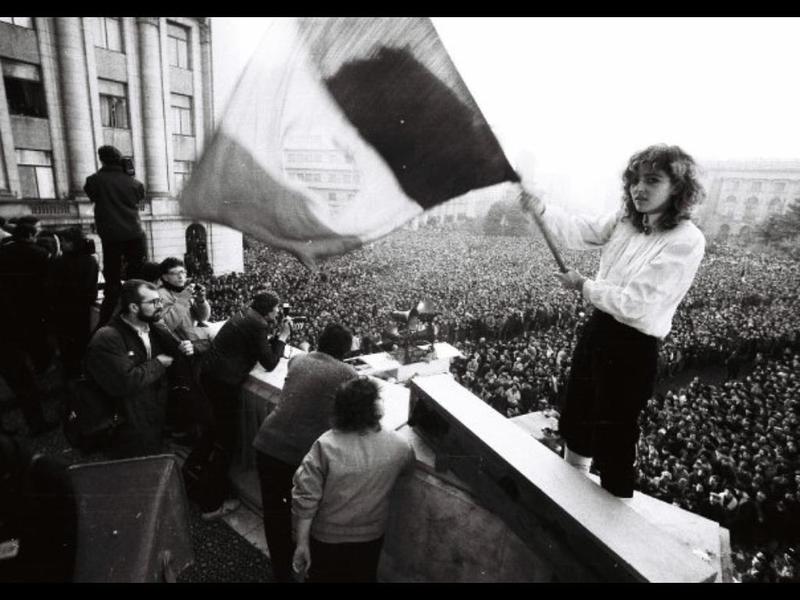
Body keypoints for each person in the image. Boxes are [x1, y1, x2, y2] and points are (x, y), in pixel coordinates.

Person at [520, 144, 706, 498]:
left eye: (652, 180)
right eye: (635, 180)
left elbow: (637, 304)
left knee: (615, 435)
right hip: (599, 328)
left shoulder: (687, 240)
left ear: (678, 187)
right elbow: (582, 231)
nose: (640, 188)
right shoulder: (625, 219)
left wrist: (583, 285)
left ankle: (613, 513)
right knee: (577, 416)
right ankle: (570, 494)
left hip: (633, 345)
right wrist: (541, 210)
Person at [252, 323, 357, 582]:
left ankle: (280, 572)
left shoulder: (298, 360)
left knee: (274, 514)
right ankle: (304, 569)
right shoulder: (348, 374)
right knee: (307, 515)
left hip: (266, 444)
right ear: (344, 350)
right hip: (300, 456)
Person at [291, 376, 415, 583]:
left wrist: (302, 544)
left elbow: (305, 499)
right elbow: (407, 469)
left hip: (326, 538)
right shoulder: (400, 446)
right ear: (375, 409)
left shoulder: (325, 445)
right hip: (370, 537)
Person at [194, 290, 291, 520]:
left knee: (214, 433)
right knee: (226, 442)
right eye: (276, 309)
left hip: (211, 376)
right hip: (224, 384)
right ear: (268, 310)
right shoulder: (257, 324)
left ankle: (194, 480)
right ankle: (211, 504)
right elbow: (268, 362)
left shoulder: (246, 315)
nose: (278, 313)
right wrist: (284, 337)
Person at [84, 279, 194, 458]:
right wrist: (158, 363)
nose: (160, 306)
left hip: (153, 419)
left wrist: (184, 348)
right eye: (153, 302)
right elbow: (124, 382)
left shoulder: (154, 327)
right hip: (127, 427)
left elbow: (174, 356)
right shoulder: (107, 337)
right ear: (134, 308)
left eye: (160, 300)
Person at [0, 219, 57, 436]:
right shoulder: (38, 254)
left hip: (9, 325)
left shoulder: (3, 253)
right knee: (23, 381)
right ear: (32, 235)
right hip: (17, 322)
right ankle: (36, 424)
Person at [84, 145, 147, 328]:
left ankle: (106, 321)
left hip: (111, 235)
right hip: (134, 232)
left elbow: (92, 194)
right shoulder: (134, 182)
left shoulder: (94, 180)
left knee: (112, 278)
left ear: (101, 159)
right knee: (136, 276)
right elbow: (139, 197)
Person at [156, 257, 213, 441]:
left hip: (190, 346)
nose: (182, 276)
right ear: (165, 277)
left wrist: (201, 300)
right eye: (176, 273)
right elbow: (167, 325)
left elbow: (202, 316)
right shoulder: (160, 295)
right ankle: (181, 429)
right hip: (175, 349)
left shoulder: (183, 292)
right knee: (183, 392)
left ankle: (191, 428)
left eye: (183, 272)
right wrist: (183, 299)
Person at [47, 227, 99, 384]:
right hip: (80, 309)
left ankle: (72, 374)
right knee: (81, 341)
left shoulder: (58, 262)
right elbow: (91, 289)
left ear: (74, 243)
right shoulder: (90, 260)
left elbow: (51, 288)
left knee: (67, 344)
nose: (61, 244)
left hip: (63, 310)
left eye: (64, 241)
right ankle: (81, 374)